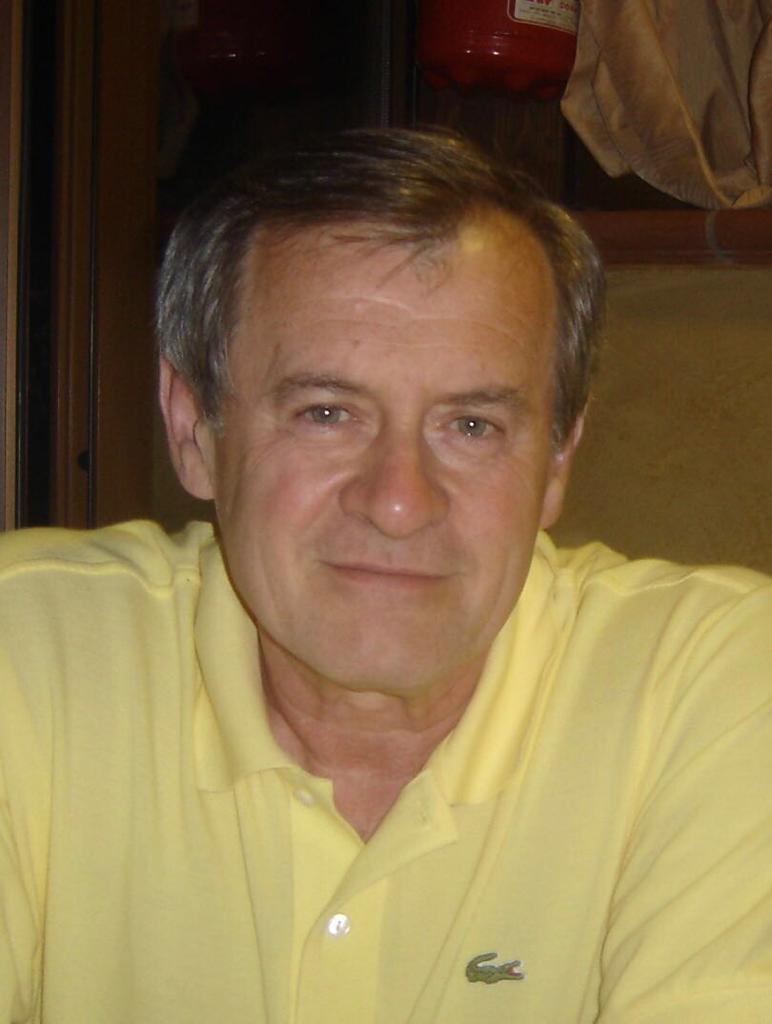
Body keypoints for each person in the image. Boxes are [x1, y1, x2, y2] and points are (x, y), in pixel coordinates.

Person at [1, 129, 770, 1024]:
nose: (399, 502)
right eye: (327, 413)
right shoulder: (27, 656)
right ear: (193, 428)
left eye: (471, 426)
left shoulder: (711, 686)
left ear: (559, 458)